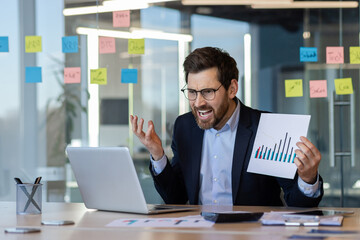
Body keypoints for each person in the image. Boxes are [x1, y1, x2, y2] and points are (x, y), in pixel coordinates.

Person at [130, 47, 323, 206]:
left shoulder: (268, 127)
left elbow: (299, 205)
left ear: (232, 89)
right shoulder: (184, 126)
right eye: (192, 92)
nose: (198, 103)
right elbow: (176, 197)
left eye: (207, 92)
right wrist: (158, 155)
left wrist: (308, 178)